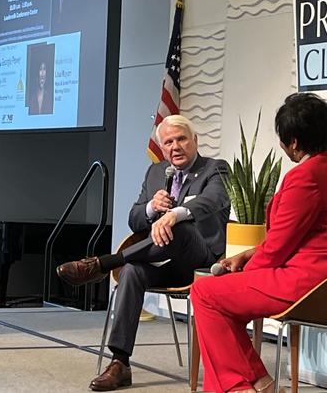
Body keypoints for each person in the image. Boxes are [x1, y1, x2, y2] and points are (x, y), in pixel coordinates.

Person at [190, 93, 327, 393]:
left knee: (205, 293)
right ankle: (258, 383)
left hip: (311, 282)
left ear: (294, 142)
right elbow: (300, 236)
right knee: (219, 297)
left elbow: (276, 249)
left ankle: (238, 387)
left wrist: (243, 273)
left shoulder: (305, 177)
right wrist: (247, 255)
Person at [56, 114, 230, 391]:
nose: (176, 147)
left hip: (201, 260)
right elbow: (135, 219)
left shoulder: (215, 169)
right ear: (162, 148)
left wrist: (173, 214)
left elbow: (213, 201)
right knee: (132, 271)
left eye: (182, 139)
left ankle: (102, 263)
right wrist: (151, 207)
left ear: (195, 140)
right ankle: (120, 362)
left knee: (180, 227)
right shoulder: (156, 173)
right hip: (162, 259)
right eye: (169, 142)